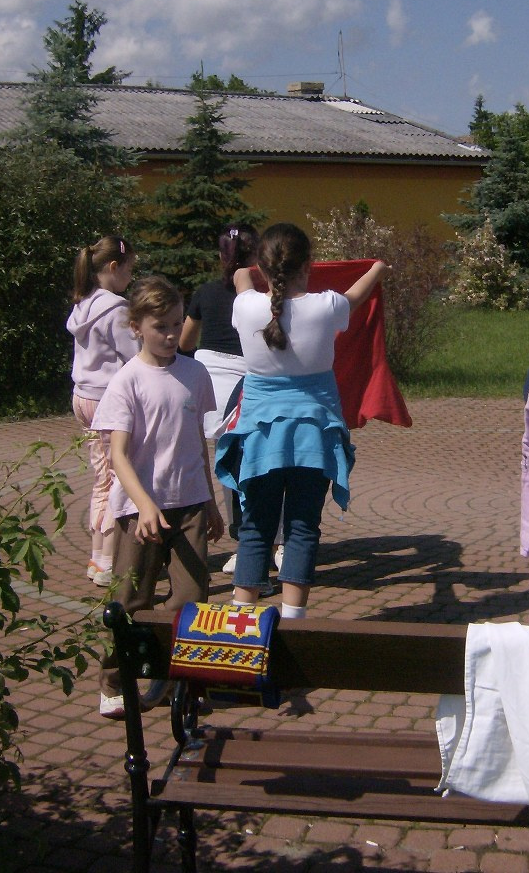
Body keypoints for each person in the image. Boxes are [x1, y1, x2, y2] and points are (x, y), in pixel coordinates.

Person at [217, 222, 392, 619]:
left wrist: (255, 270)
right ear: (308, 265)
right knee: (301, 527)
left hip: (259, 436)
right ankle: (293, 622)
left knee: (255, 527)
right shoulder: (327, 306)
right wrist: (378, 269)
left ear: (263, 266)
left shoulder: (245, 307)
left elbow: (242, 277)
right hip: (313, 436)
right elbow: (358, 294)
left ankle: (241, 625)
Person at [92, 276, 224, 719]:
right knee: (132, 600)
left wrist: (209, 501)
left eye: (175, 325)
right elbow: (118, 456)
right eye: (160, 328)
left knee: (192, 600)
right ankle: (114, 680)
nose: (170, 336)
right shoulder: (127, 382)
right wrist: (144, 504)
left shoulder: (194, 373)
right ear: (136, 327)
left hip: (188, 505)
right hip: (140, 510)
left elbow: (195, 444)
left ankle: (181, 680)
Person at [179, 223, 268, 577]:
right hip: (252, 380)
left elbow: (185, 342)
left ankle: (244, 541)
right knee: (262, 460)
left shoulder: (204, 292)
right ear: (258, 256)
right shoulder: (264, 296)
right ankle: (269, 541)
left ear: (221, 256)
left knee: (230, 463)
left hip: (212, 384)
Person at [66, 235, 138, 588]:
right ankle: (109, 560)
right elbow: (135, 355)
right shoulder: (117, 308)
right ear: (113, 268)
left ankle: (98, 556)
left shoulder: (83, 303)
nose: (131, 278)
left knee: (101, 478)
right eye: (129, 270)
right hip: (106, 401)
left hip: (82, 396)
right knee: (117, 479)